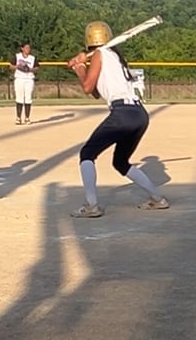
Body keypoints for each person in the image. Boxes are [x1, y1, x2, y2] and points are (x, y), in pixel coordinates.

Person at [66, 20, 170, 217]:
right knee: (120, 162)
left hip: (122, 113)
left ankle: (91, 206)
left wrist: (80, 68)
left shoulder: (99, 54)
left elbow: (87, 88)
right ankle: (158, 199)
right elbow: (95, 92)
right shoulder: (114, 56)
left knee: (87, 154)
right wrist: (80, 68)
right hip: (139, 114)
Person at [9, 43, 36, 124]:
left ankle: (27, 118)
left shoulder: (32, 58)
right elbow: (11, 66)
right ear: (22, 48)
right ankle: (18, 118)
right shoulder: (17, 56)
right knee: (19, 98)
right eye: (26, 48)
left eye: (29, 48)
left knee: (28, 98)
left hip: (29, 79)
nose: (28, 49)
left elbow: (37, 67)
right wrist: (18, 67)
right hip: (19, 78)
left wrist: (30, 69)